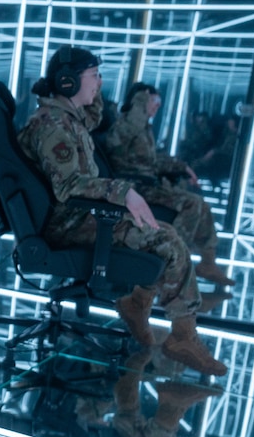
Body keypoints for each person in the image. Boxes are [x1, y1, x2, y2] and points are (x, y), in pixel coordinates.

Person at [16, 46, 227, 376]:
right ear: (69, 83)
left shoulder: (66, 118)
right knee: (168, 242)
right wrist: (123, 192)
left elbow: (93, 118)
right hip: (70, 224)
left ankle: (144, 308)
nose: (99, 82)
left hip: (79, 216)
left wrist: (95, 89)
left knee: (165, 234)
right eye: (93, 76)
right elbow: (68, 186)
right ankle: (180, 336)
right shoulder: (54, 126)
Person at [98, 83, 235, 286]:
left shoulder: (144, 128)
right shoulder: (125, 125)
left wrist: (181, 167)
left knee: (202, 205)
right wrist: (139, 105)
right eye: (153, 101)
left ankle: (208, 262)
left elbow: (153, 160)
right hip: (135, 186)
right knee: (191, 204)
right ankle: (171, 260)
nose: (157, 106)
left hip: (149, 182)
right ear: (140, 101)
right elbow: (115, 144)